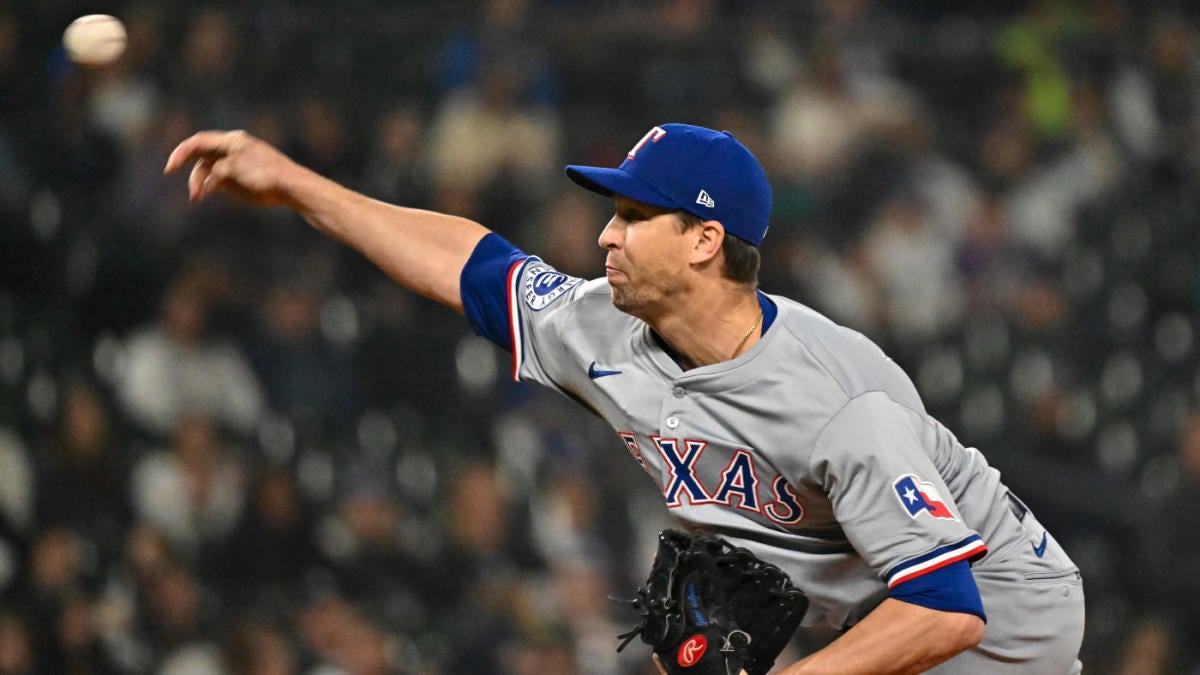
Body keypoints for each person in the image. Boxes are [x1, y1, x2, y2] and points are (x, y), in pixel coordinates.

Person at [164, 122, 1085, 674]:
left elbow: (946, 606)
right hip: (872, 607)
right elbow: (470, 263)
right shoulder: (605, 326)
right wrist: (292, 184)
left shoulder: (838, 400)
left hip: (1003, 631)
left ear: (703, 241)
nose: (605, 235)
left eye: (634, 217)